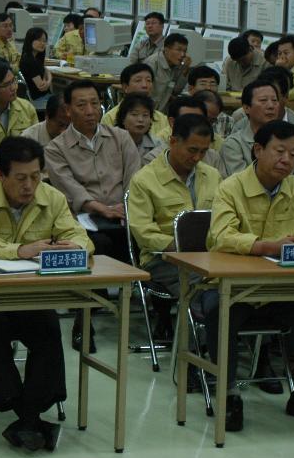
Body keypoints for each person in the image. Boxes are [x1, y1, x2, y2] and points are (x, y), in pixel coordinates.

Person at [206, 120, 294, 431]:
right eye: (279, 151)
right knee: (219, 310)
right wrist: (266, 246)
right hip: (239, 288)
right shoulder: (231, 187)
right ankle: (228, 395)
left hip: (285, 289)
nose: (287, 159)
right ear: (258, 150)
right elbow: (221, 237)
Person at [0, 136, 90, 452]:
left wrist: (76, 247)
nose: (29, 185)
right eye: (20, 178)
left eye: (35, 176)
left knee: (48, 327)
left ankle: (27, 416)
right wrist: (19, 250)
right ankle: (24, 411)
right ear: (1, 175)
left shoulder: (52, 198)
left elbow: (80, 236)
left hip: (28, 296)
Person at [127, 114, 220, 339]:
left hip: (209, 255)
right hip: (162, 259)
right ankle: (195, 354)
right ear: (173, 141)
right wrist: (179, 248)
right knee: (203, 284)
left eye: (204, 151)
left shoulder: (212, 175)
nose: (198, 157)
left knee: (236, 280)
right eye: (192, 150)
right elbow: (143, 232)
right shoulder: (145, 180)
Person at [44, 79, 139, 293]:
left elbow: (135, 179)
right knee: (98, 244)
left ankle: (142, 299)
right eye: (81, 105)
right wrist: (101, 208)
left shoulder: (121, 137)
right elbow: (70, 189)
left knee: (142, 237)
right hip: (83, 220)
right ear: (68, 110)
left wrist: (125, 206)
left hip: (125, 214)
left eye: (95, 104)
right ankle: (90, 307)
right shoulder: (55, 149)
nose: (90, 111)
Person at [220, 79, 283, 177]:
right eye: (263, 100)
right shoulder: (234, 144)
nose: (271, 106)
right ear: (246, 108)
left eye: (274, 100)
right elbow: (241, 181)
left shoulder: (290, 140)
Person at [100, 63, 170, 139]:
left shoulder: (162, 118)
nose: (144, 85)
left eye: (148, 80)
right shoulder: (110, 118)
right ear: (125, 87)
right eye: (138, 80)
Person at [146, 33, 190, 112]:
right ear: (166, 49)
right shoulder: (152, 63)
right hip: (148, 110)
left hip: (162, 113)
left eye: (184, 51)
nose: (183, 54)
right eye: (179, 50)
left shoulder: (178, 65)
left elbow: (176, 91)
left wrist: (185, 69)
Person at [115, 93, 161, 166]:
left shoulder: (158, 144)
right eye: (134, 114)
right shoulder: (111, 141)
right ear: (123, 118)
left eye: (145, 115)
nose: (140, 120)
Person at [18, 27, 52, 109]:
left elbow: (45, 70)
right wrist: (50, 80)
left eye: (44, 41)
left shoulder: (34, 58)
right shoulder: (29, 61)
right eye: (39, 40)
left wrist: (48, 77)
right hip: (38, 99)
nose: (42, 43)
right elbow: (42, 88)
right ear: (30, 40)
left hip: (41, 97)